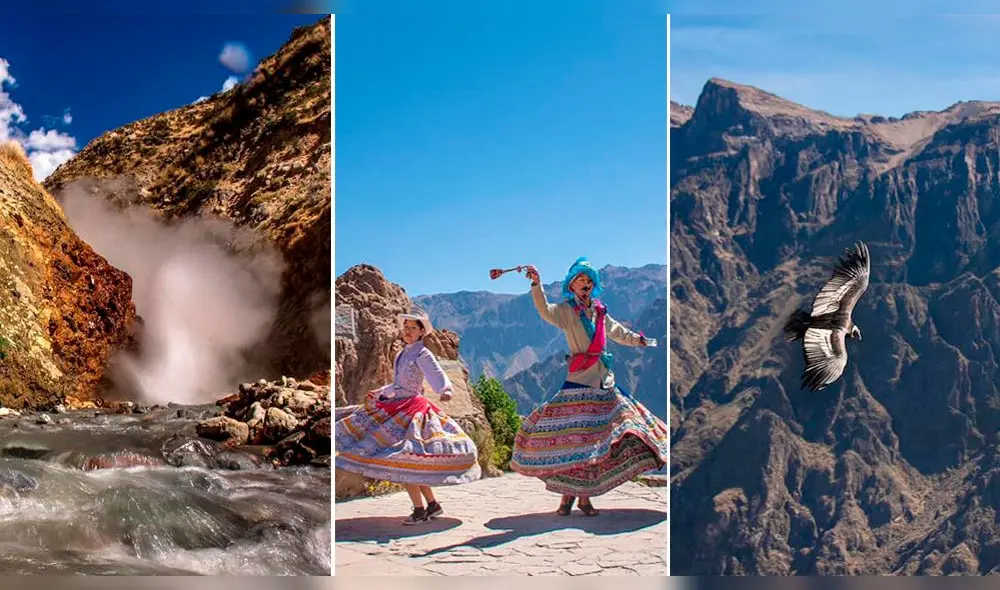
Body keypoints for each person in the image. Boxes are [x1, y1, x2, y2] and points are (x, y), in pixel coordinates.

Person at [509, 257, 670, 516]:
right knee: (576, 442)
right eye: (580, 280)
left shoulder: (599, 312)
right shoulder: (565, 311)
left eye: (588, 281)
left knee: (600, 438)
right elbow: (544, 310)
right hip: (579, 382)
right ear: (571, 285)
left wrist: (644, 342)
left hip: (603, 382)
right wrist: (536, 285)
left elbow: (618, 332)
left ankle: (577, 499)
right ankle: (574, 500)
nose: (585, 284)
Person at [335, 311, 481, 525]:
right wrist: (382, 392)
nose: (408, 331)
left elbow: (437, 374)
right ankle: (432, 505)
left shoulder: (422, 354)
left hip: (412, 408)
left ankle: (420, 510)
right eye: (406, 327)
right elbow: (398, 385)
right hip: (398, 404)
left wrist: (445, 389)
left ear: (422, 331)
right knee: (409, 461)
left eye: (413, 328)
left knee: (404, 459)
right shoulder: (403, 353)